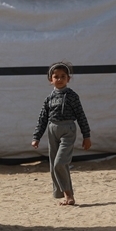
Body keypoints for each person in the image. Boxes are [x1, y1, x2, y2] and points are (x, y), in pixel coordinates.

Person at [31, 61, 91, 205]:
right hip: (52, 130)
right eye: (56, 76)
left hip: (68, 130)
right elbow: (42, 119)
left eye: (63, 76)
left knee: (60, 162)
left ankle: (68, 195)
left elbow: (81, 115)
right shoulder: (49, 98)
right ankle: (66, 195)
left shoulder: (72, 96)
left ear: (68, 79)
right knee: (54, 165)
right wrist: (36, 137)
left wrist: (86, 135)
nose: (59, 79)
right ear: (50, 80)